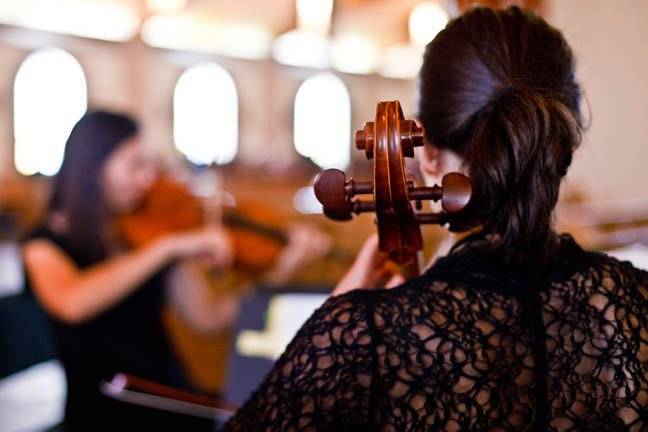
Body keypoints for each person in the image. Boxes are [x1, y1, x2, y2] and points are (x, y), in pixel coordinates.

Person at [223, 6, 648, 431]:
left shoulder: (359, 335)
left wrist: (336, 326)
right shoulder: (634, 301)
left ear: (426, 155)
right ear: (563, 143)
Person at [22, 111, 239, 431]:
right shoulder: (42, 247)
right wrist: (167, 248)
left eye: (150, 165)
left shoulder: (141, 233)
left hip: (175, 397)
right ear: (93, 169)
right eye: (135, 165)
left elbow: (207, 318)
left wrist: (279, 274)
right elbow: (73, 302)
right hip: (108, 413)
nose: (149, 178)